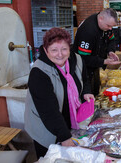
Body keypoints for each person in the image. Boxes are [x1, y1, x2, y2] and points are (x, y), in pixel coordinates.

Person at [24, 28, 94, 159]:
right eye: (54, 50)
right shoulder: (39, 73)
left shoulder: (76, 59)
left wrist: (86, 91)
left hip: (69, 121)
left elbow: (85, 78)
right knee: (51, 158)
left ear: (70, 48)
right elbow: (49, 112)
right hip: (45, 126)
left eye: (64, 49)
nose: (60, 54)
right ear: (45, 50)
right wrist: (65, 137)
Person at [73, 8, 120, 96]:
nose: (110, 29)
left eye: (112, 26)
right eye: (108, 26)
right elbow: (83, 58)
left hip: (95, 65)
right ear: (101, 18)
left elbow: (112, 40)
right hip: (83, 69)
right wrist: (103, 61)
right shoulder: (88, 31)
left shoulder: (105, 26)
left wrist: (110, 51)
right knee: (87, 95)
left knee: (96, 91)